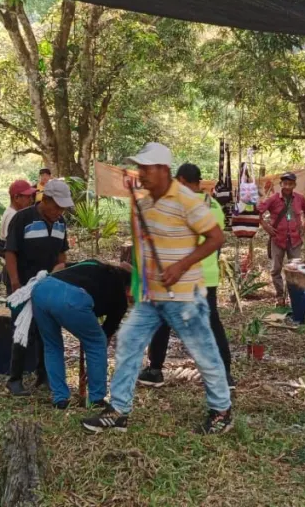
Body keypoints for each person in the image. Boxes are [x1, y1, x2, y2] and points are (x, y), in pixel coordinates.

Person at [82, 142, 232, 435]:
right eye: (139, 168)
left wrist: (180, 266)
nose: (142, 174)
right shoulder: (145, 204)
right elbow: (143, 248)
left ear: (164, 170)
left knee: (204, 353)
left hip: (186, 296)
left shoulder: (188, 200)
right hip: (153, 298)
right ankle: (119, 411)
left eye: (146, 168)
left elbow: (215, 238)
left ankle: (222, 411)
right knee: (127, 344)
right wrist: (139, 284)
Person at [138, 163, 234, 389]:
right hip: (206, 277)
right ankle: (225, 374)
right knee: (211, 323)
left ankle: (155, 370)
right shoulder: (215, 206)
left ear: (181, 181)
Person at [32, 259, 132, 409]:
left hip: (41, 289)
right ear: (129, 287)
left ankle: (60, 398)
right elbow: (103, 338)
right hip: (72, 298)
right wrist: (94, 366)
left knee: (52, 346)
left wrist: (56, 290)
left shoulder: (93, 264)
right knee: (96, 343)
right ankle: (96, 398)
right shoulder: (120, 299)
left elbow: (60, 266)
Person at [4, 179, 72, 396]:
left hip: (47, 284)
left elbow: (62, 253)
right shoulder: (22, 218)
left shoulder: (61, 223)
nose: (59, 211)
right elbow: (10, 252)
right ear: (46, 199)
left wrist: (59, 275)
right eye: (57, 206)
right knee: (23, 329)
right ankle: (14, 378)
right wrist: (15, 282)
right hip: (22, 283)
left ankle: (43, 375)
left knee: (47, 328)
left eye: (62, 208)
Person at [257, 172, 305, 304]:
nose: (287, 186)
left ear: (294, 185)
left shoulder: (300, 198)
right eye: (285, 183)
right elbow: (258, 212)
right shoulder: (273, 199)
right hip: (278, 239)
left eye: (290, 184)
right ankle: (280, 296)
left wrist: (304, 226)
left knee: (296, 269)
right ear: (281, 184)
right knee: (276, 269)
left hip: (295, 239)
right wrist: (266, 227)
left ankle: (296, 296)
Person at [0, 180, 37, 289]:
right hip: (15, 270)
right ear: (16, 198)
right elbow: (12, 249)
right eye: (27, 197)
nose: (31, 200)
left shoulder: (12, 213)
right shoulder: (14, 217)